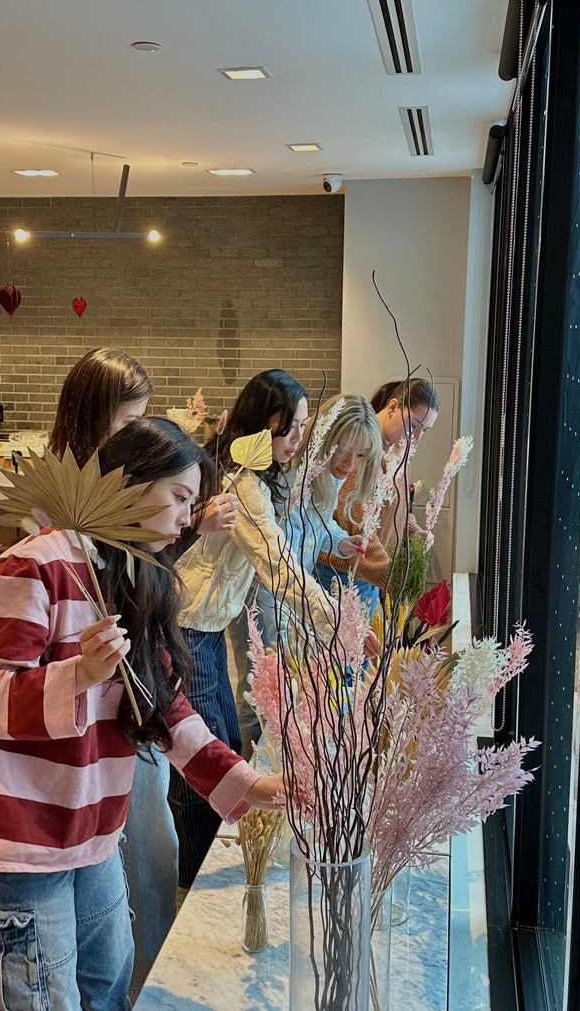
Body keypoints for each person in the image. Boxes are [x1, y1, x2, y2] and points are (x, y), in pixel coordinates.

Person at [0, 417, 282, 1011]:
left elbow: (160, 706)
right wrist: (78, 675)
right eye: (179, 498)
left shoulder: (134, 575)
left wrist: (248, 785)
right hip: (14, 848)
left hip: (92, 839)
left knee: (108, 990)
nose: (185, 518)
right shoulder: (34, 566)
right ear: (129, 482)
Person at [45, 347, 237, 994]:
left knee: (147, 844)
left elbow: (150, 645)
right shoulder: (57, 524)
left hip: (132, 700)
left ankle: (145, 975)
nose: (135, 433)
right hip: (80, 726)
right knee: (118, 856)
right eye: (128, 420)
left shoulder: (127, 521)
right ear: (88, 419)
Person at [170, 370, 379, 886]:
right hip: (188, 629)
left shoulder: (260, 477)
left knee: (219, 745)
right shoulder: (242, 482)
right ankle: (191, 876)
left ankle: (203, 868)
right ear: (263, 425)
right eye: (291, 429)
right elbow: (279, 567)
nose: (298, 441)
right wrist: (340, 622)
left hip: (207, 631)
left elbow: (301, 529)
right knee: (202, 758)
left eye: (304, 428)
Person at [257, 393, 382, 640]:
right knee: (266, 667)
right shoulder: (288, 478)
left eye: (361, 454)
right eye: (344, 450)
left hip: (298, 586)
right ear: (324, 439)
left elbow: (316, 522)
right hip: (268, 588)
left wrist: (339, 541)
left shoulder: (331, 473)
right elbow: (278, 550)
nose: (350, 463)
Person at [316, 377, 440, 611]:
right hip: (342, 573)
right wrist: (389, 574)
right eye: (414, 425)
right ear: (393, 407)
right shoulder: (362, 451)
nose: (417, 437)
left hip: (370, 573)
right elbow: (353, 522)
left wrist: (414, 531)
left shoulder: (399, 454)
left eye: (426, 431)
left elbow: (397, 508)